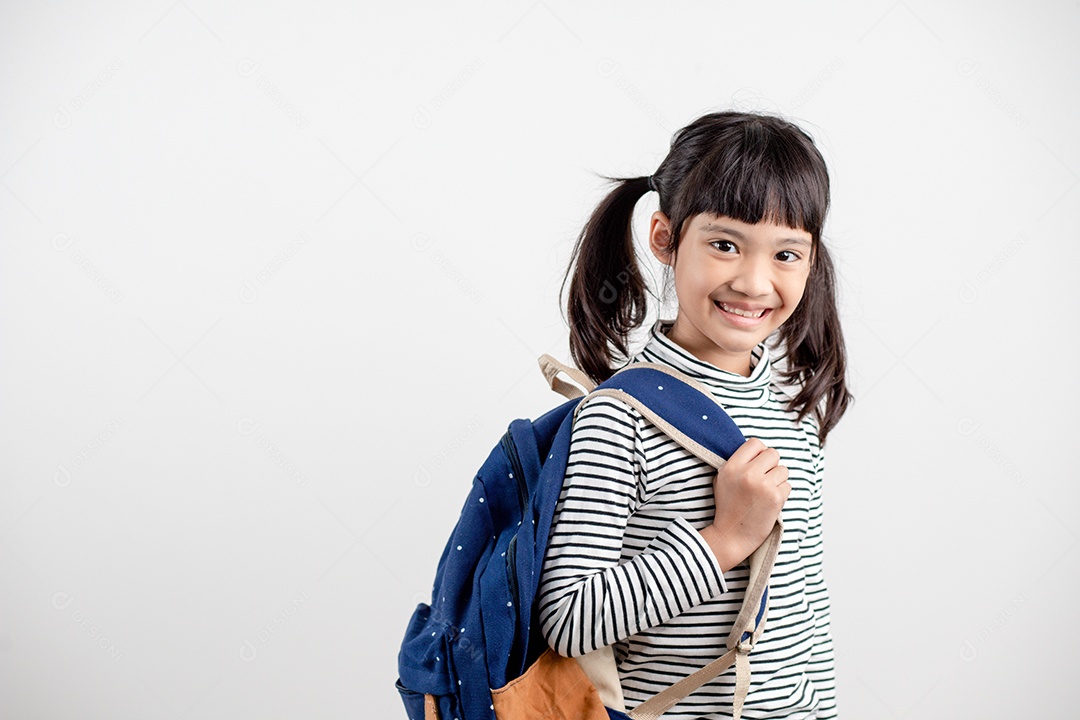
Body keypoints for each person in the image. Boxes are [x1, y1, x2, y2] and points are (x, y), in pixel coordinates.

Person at [536, 110, 853, 719]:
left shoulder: (793, 412)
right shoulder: (619, 417)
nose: (755, 282)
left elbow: (804, 611)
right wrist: (723, 539)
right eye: (725, 244)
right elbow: (567, 620)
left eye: (786, 253)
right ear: (665, 238)